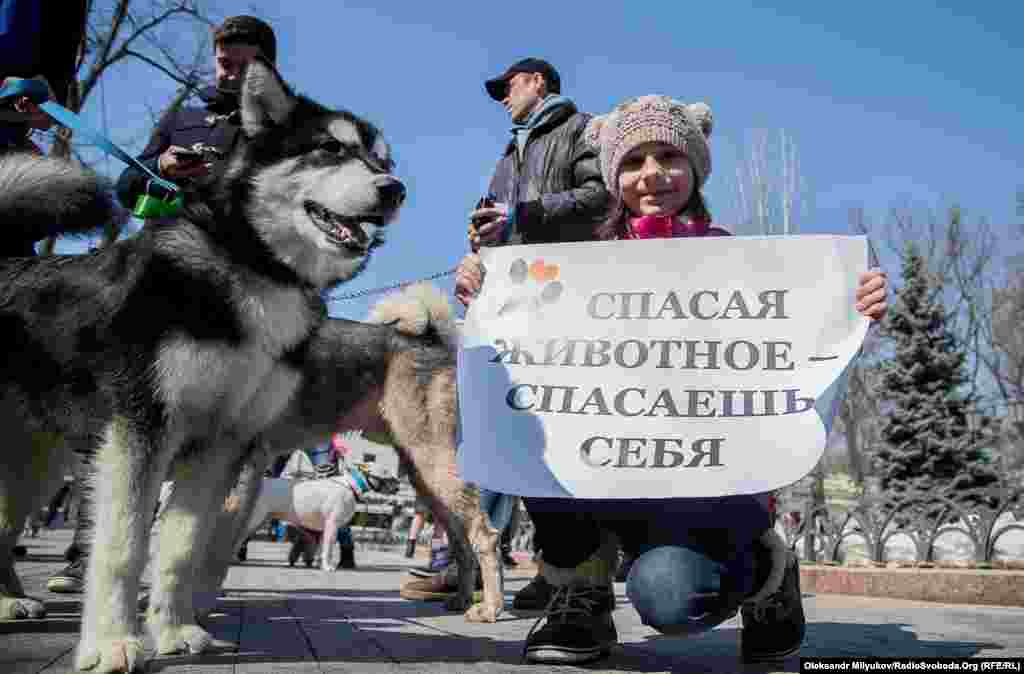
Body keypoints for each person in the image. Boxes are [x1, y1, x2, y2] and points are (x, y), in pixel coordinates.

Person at [455, 94, 888, 665]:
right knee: (539, 425)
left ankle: (766, 574)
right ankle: (580, 593)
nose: (651, 174)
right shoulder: (573, 267)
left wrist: (851, 306)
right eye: (633, 162)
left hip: (704, 492)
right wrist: (482, 297)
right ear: (612, 177)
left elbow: (799, 348)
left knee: (670, 598)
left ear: (696, 168)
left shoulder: (742, 263)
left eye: (668, 156)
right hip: (602, 478)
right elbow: (520, 362)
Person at [45, 14, 279, 594]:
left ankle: (185, 570)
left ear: (265, 67)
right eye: (223, 60)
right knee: (128, 413)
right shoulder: (184, 112)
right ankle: (88, 551)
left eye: (241, 62)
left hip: (235, 287)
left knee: (208, 429)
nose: (227, 70)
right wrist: (163, 168)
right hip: (159, 271)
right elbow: (130, 186)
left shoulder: (279, 123)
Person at [449, 56, 612, 610]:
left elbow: (600, 197)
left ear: (538, 81)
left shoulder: (580, 128)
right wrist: (476, 252)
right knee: (503, 426)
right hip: (512, 303)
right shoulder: (508, 150)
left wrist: (521, 215)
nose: (501, 96)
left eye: (508, 85)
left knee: (557, 435)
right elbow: (493, 220)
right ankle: (472, 564)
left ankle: (564, 570)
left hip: (568, 302)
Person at [115, 14, 277, 211]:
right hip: (164, 238)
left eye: (245, 67)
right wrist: (161, 166)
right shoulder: (179, 118)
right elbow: (125, 189)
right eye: (225, 64)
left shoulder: (284, 129)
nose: (233, 75)